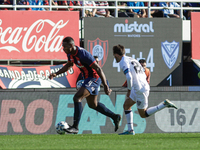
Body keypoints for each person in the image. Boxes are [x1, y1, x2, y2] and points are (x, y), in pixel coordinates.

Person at [49, 37, 121, 134]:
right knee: (92, 105)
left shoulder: (83, 54)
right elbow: (69, 65)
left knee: (77, 98)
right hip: (87, 78)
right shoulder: (70, 54)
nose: (63, 49)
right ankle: (115, 116)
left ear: (71, 46)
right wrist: (56, 74)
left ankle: (75, 127)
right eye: (63, 47)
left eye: (65, 47)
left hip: (94, 78)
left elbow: (98, 69)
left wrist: (106, 86)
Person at [113, 44, 178, 135]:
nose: (114, 58)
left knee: (143, 114)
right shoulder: (132, 59)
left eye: (114, 56)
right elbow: (143, 74)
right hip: (140, 87)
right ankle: (130, 130)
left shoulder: (123, 62)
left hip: (139, 89)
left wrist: (129, 90)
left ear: (116, 54)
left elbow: (129, 77)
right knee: (126, 105)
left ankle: (164, 104)